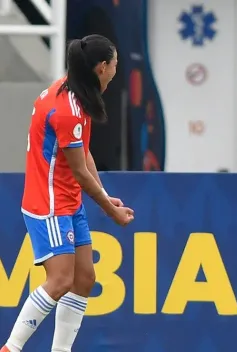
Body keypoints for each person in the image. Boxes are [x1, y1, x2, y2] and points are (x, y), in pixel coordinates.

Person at [1, 34, 135, 352]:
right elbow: (78, 171)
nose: (117, 70)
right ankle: (11, 348)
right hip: (48, 203)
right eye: (115, 65)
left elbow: (81, 154)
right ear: (102, 67)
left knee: (84, 279)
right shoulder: (68, 110)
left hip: (67, 198)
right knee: (60, 280)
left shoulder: (75, 91)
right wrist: (109, 208)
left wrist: (103, 191)